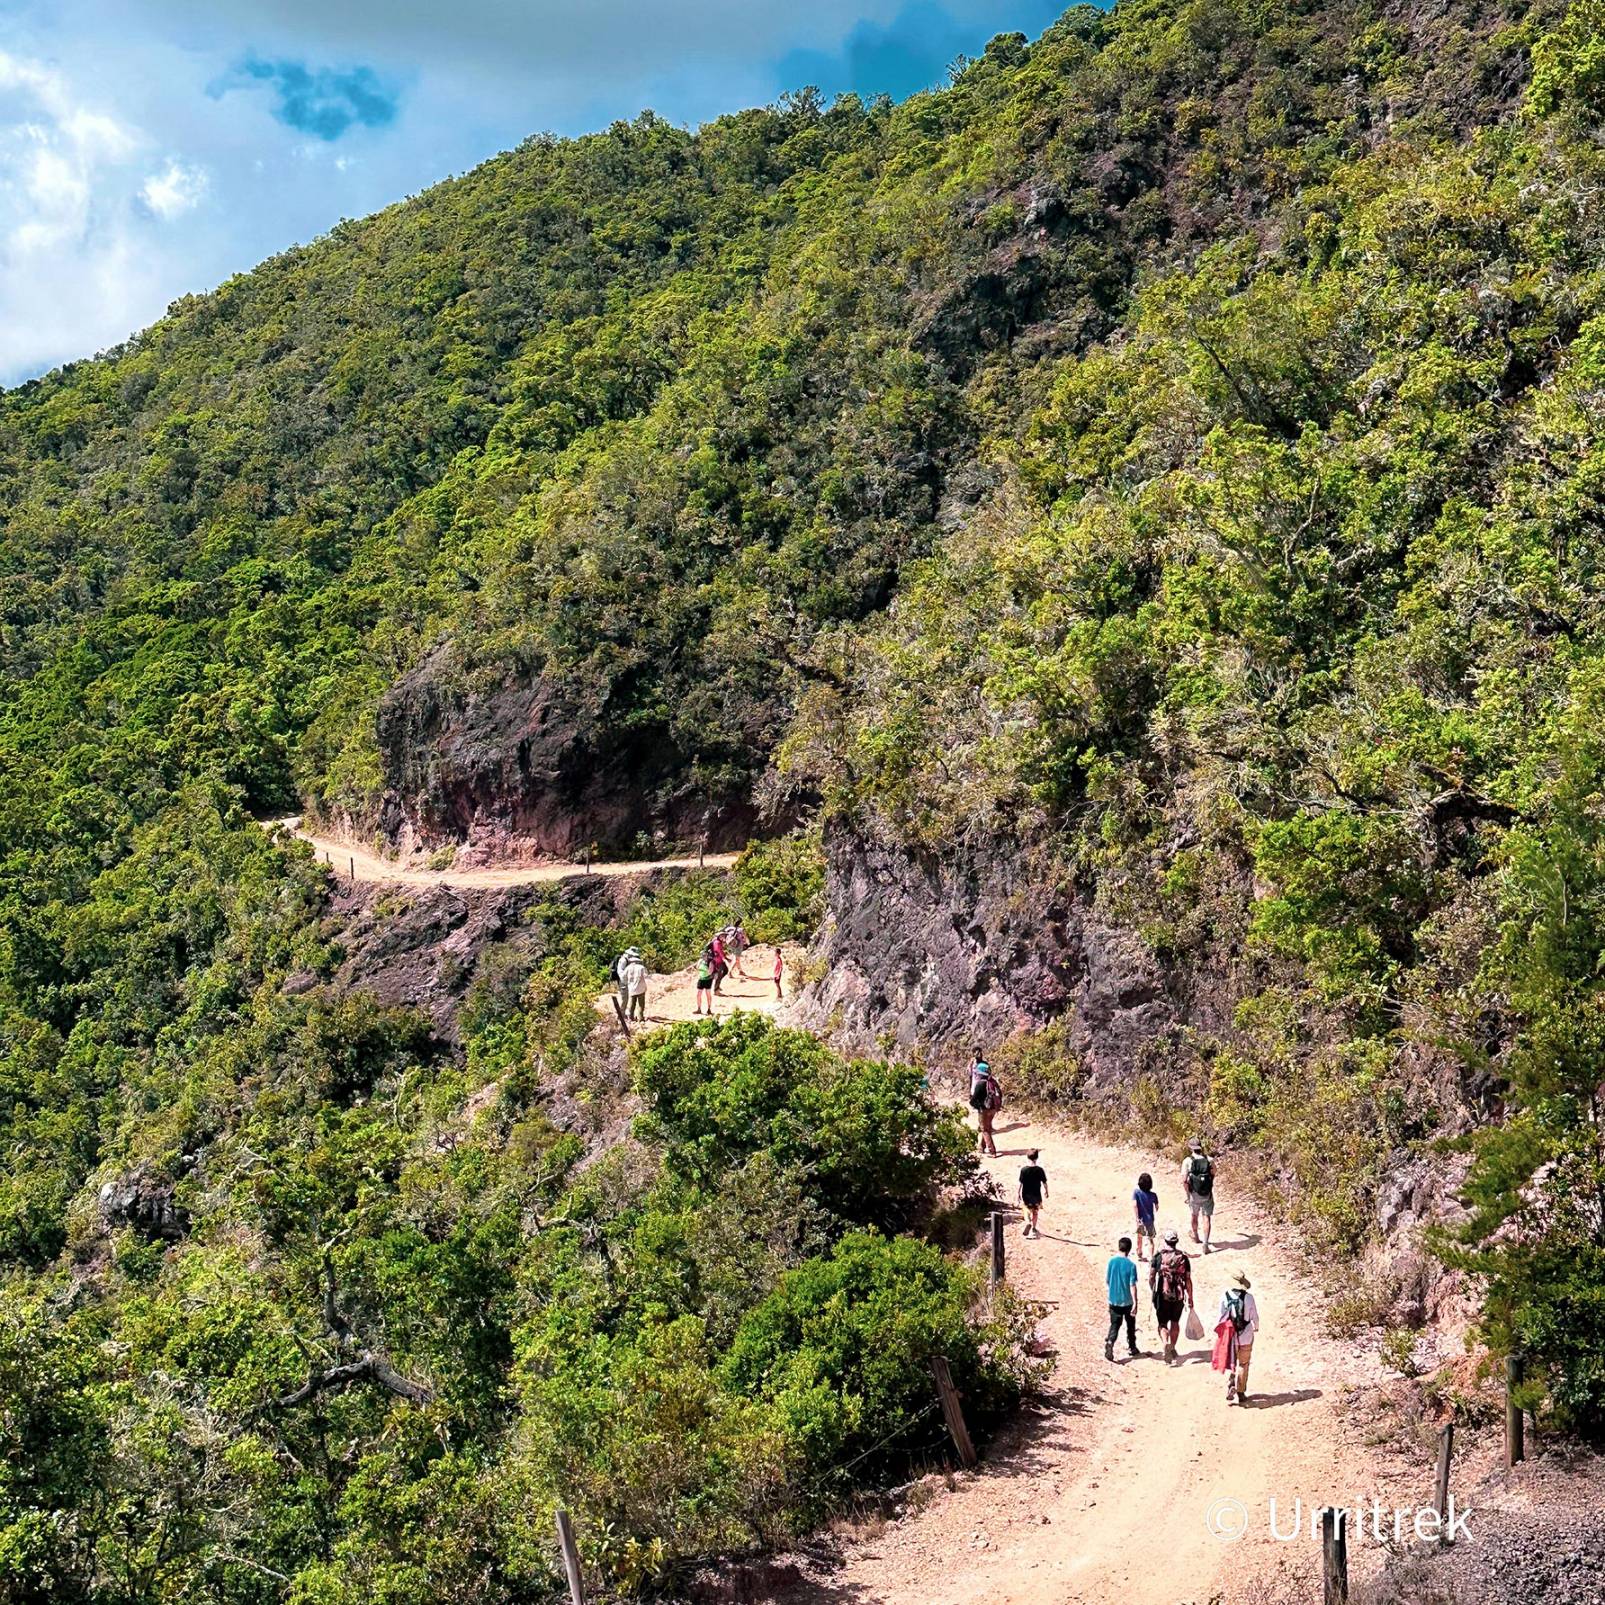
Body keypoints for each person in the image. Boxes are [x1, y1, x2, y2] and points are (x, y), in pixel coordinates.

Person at [1149, 1229, 1195, 1363]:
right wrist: (1190, 1297)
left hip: (1162, 1295)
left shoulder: (1158, 1257)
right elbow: (1188, 1279)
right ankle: (1173, 1346)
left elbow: (1151, 1276)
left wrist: (1153, 1289)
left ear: (1166, 1241)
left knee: (1162, 1323)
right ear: (1176, 1242)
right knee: (1175, 1322)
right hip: (1179, 1295)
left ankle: (1165, 1344)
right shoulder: (1184, 1258)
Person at [1214, 1271, 1260, 1404]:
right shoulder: (1249, 1298)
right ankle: (1240, 1392)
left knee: (1232, 1361)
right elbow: (1254, 1317)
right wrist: (1256, 1327)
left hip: (1231, 1336)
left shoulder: (1224, 1296)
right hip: (1246, 1335)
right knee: (1244, 1364)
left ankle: (1231, 1382)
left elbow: (1220, 1318)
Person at [1104, 1236, 1140, 1361]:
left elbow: (1108, 1281)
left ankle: (1110, 1342)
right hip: (1127, 1301)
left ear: (1119, 1247)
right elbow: (1132, 1285)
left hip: (1113, 1300)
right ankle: (1132, 1347)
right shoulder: (1131, 1265)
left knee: (1115, 1324)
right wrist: (1135, 1302)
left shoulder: (1111, 1262)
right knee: (1130, 1325)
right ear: (1129, 1249)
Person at [1182, 1139, 1216, 1253]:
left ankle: (1196, 1236)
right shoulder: (1209, 1160)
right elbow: (1214, 1173)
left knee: (1194, 1215)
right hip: (1207, 1194)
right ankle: (1205, 1244)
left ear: (1191, 1148)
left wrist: (1188, 1194)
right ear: (1201, 1147)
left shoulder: (1187, 1161)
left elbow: (1184, 1180)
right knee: (1206, 1218)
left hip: (1194, 1194)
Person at [967, 1056, 1000, 1157]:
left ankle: (992, 1151)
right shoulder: (993, 1082)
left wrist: (978, 1106)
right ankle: (981, 1147)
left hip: (983, 1110)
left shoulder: (980, 1084)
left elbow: (972, 1101)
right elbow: (1000, 1094)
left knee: (985, 1130)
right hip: (993, 1109)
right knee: (987, 1127)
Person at [1017, 1149, 1048, 1237]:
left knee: (1026, 1210)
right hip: (1037, 1195)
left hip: (1026, 1194)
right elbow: (1044, 1182)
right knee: (1035, 1212)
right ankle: (1034, 1228)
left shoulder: (1024, 1170)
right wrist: (1046, 1191)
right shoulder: (1040, 1170)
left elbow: (1020, 1183)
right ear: (1037, 1158)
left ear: (1027, 1157)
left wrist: (1018, 1193)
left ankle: (1028, 1222)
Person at [1132, 1171, 1159, 1261]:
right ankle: (1151, 1257)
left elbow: (1135, 1205)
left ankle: (1139, 1251)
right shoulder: (1153, 1195)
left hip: (1141, 1219)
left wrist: (1137, 1218)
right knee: (1150, 1239)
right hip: (1150, 1219)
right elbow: (1157, 1206)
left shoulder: (1136, 1193)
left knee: (1140, 1236)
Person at [621, 950, 649, 1021]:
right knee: (640, 1004)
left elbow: (623, 977)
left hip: (631, 989)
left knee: (631, 1004)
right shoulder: (641, 967)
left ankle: (631, 1018)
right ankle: (640, 1018)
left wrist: (626, 983)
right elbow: (646, 977)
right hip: (641, 988)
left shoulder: (628, 968)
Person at [694, 949, 715, 1016]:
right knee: (698, 995)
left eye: (704, 955)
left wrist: (703, 969)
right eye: (702, 955)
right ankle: (699, 1008)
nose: (703, 956)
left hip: (708, 979)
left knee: (708, 994)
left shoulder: (710, 962)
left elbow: (710, 972)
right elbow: (697, 967)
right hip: (701, 978)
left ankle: (709, 1009)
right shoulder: (700, 961)